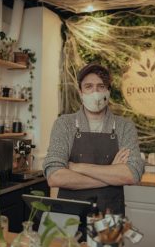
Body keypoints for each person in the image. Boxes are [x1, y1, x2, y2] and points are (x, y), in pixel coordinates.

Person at [43, 63, 144, 214]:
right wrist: (111, 173)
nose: (95, 92)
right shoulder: (64, 124)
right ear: (80, 92)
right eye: (89, 86)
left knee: (108, 239)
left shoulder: (125, 127)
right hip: (70, 214)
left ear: (109, 91)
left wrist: (78, 167)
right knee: (69, 239)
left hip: (110, 217)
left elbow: (132, 174)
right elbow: (54, 176)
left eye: (101, 86)